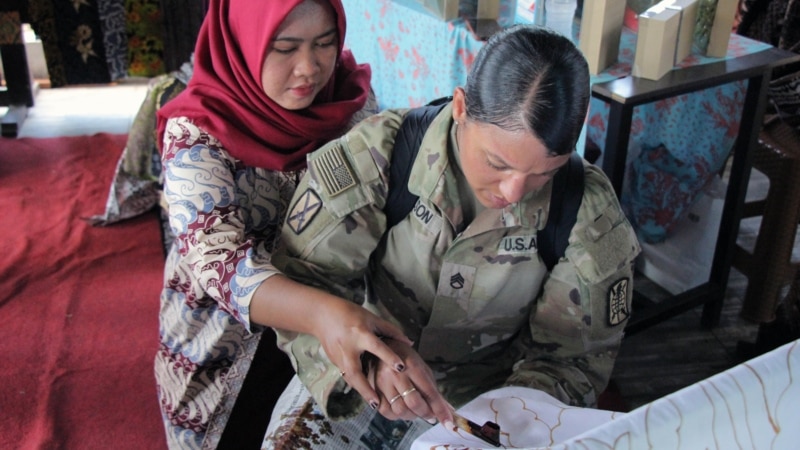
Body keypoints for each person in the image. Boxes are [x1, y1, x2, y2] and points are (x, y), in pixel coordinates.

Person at [267, 24, 641, 447]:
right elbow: (304, 282)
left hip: (492, 400)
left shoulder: (585, 212)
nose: (513, 192)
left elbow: (573, 358)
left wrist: (508, 416)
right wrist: (366, 364)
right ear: (462, 106)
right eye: (496, 163)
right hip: (360, 373)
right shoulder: (381, 157)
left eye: (543, 173)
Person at [153, 1, 437, 448]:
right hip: (231, 342)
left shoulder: (352, 106)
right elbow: (219, 264)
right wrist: (326, 315)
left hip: (336, 323)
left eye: (324, 44)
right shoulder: (198, 132)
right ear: (242, 42)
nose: (309, 68)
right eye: (285, 48)